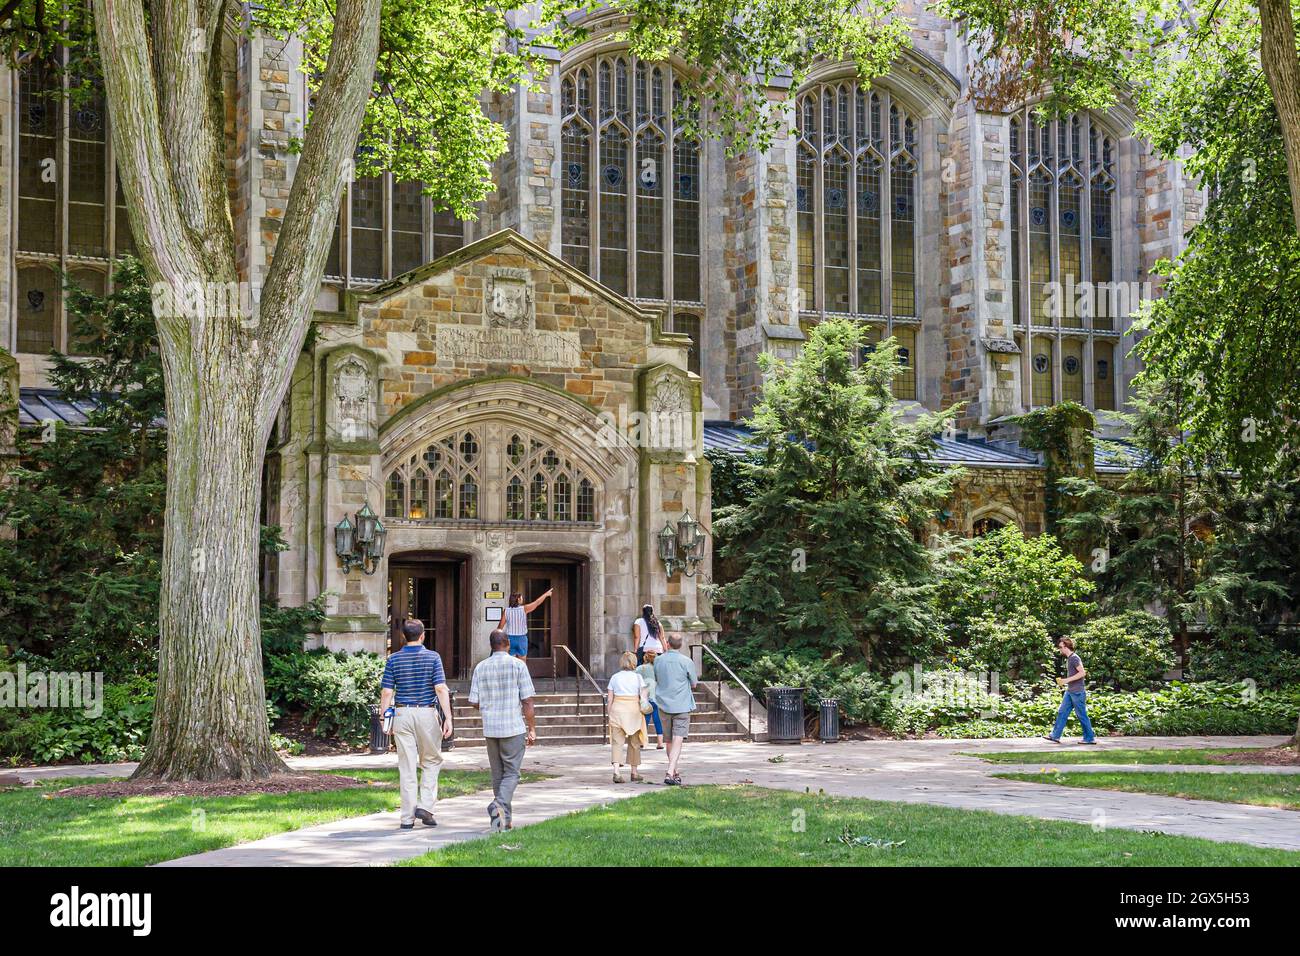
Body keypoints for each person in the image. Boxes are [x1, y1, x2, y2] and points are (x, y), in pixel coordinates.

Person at [379, 619, 454, 829]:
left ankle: (406, 818)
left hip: (402, 713)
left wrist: (384, 716)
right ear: (422, 636)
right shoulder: (433, 657)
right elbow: (440, 688)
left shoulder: (393, 659)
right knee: (431, 760)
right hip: (426, 713)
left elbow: (386, 691)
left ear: (404, 636)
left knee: (407, 766)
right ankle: (426, 806)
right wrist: (448, 717)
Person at [468, 628, 538, 831]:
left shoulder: (481, 667)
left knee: (498, 774)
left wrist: (490, 704)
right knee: (513, 774)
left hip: (491, 727)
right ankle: (498, 806)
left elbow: (474, 701)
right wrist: (532, 728)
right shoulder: (518, 665)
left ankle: (503, 821)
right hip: (513, 726)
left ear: (491, 645)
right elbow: (527, 701)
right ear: (507, 643)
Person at [652, 633, 697, 785]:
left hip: (664, 704)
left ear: (668, 644)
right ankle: (670, 771)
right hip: (682, 704)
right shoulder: (687, 661)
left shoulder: (658, 660)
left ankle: (674, 771)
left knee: (669, 740)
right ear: (681, 645)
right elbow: (694, 683)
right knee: (677, 739)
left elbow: (656, 678)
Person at [1044, 637, 1097, 745]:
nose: (1059, 649)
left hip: (1077, 692)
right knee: (1062, 712)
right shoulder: (1069, 659)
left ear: (1066, 647)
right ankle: (1055, 735)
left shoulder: (1074, 658)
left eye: (1060, 647)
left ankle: (1089, 738)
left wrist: (1066, 680)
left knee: (1081, 715)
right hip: (1070, 691)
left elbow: (1082, 673)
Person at [607, 651, 650, 783]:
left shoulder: (614, 677)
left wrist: (610, 713)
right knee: (634, 742)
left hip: (617, 709)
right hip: (633, 711)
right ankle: (634, 772)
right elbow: (643, 697)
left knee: (617, 742)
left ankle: (616, 771)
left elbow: (610, 699)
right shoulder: (638, 678)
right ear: (633, 663)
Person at [503, 588, 554, 661]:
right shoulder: (524, 608)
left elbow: (499, 628)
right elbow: (537, 602)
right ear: (518, 599)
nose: (522, 599)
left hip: (510, 639)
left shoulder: (506, 611)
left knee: (510, 662)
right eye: (521, 597)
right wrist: (546, 594)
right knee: (522, 663)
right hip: (521, 639)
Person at [636, 648, 665, 749]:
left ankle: (642, 742)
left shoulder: (640, 668)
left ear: (645, 657)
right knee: (657, 720)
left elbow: (635, 681)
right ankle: (660, 743)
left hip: (645, 698)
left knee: (645, 720)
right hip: (657, 697)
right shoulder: (659, 669)